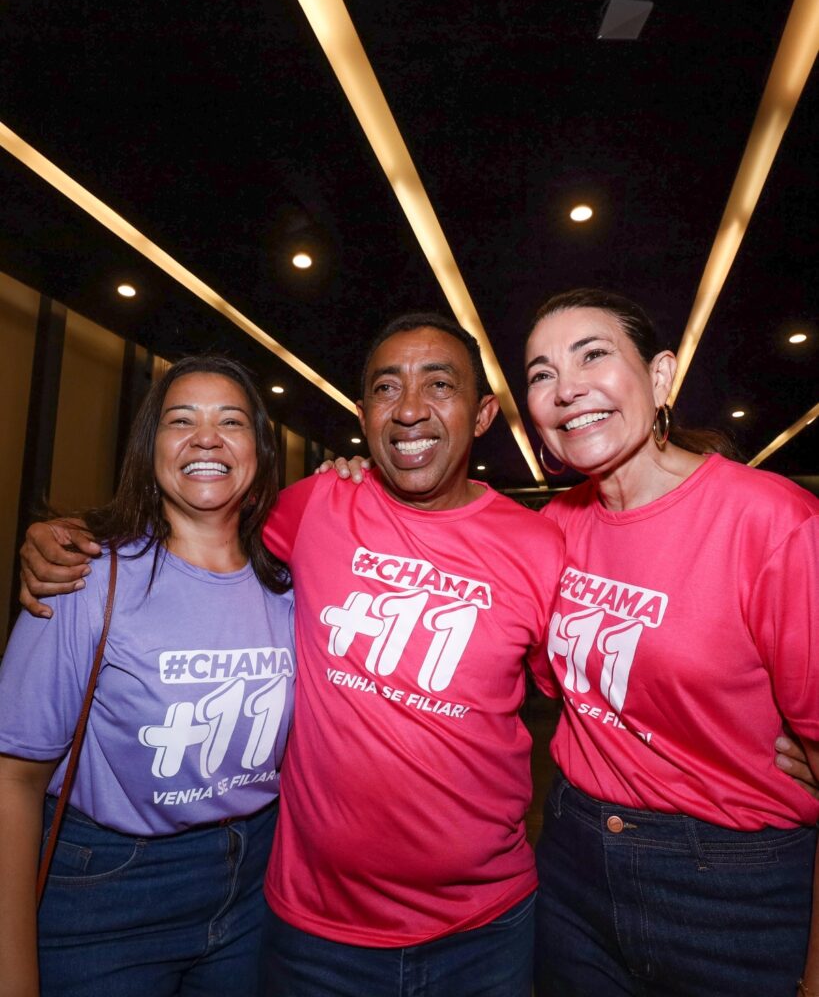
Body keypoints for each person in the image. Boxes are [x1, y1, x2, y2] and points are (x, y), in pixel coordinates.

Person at [16, 313, 817, 996]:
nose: (408, 407)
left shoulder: (545, 542)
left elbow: (597, 678)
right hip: (309, 930)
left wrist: (761, 745)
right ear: (362, 413)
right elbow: (207, 530)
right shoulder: (317, 505)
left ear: (482, 413)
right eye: (385, 387)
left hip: (490, 927)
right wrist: (76, 537)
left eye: (439, 384)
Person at [524, 288, 819, 997]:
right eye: (541, 374)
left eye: (592, 355)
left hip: (733, 888)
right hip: (572, 861)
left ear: (659, 377)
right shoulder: (553, 528)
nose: (566, 389)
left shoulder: (770, 521)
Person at [0, 355, 295, 997]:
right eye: (180, 420)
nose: (206, 438)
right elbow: (13, 782)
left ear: (260, 450)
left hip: (257, 881)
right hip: (109, 893)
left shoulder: (291, 587)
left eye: (231, 422)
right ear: (149, 449)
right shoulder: (84, 579)